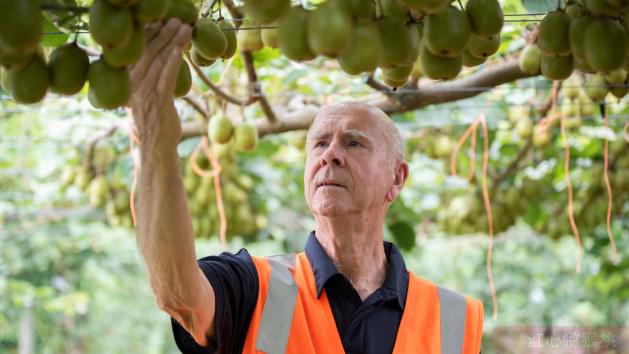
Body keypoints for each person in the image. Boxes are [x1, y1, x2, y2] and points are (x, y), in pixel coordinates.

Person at [129, 18, 484, 354]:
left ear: (396, 178)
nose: (330, 155)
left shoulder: (456, 318)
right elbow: (179, 295)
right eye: (319, 144)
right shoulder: (252, 287)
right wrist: (155, 135)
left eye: (353, 142)